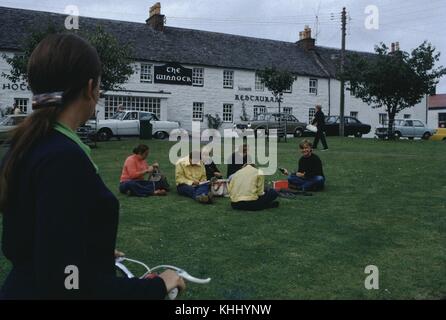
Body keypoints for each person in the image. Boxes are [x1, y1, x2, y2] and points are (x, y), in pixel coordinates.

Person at [0, 34, 185, 299]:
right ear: (90, 88)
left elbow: (35, 241)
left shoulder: (25, 146)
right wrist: (158, 285)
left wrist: (89, 250)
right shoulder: (62, 158)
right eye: (100, 86)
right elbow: (68, 285)